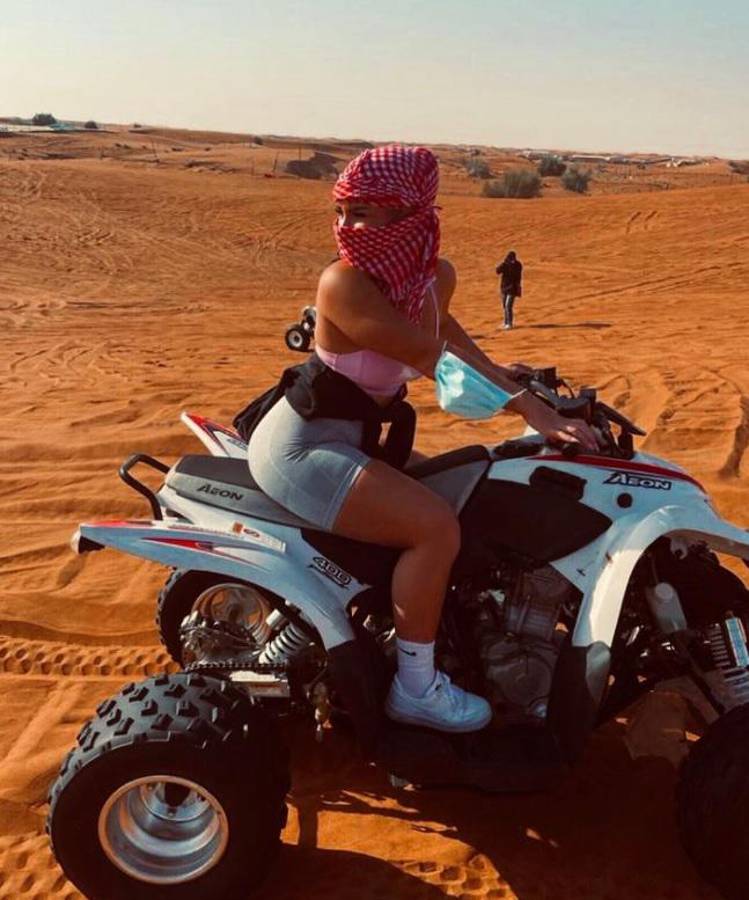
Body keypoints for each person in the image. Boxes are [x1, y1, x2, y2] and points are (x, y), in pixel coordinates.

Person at [248, 145, 598, 733]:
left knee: (467, 495)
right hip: (304, 447)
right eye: (342, 212)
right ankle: (415, 688)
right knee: (434, 528)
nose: (347, 227)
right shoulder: (343, 283)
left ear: (410, 215)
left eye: (364, 213)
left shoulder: (431, 277)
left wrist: (513, 378)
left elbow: (450, 337)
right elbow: (431, 356)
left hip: (360, 441)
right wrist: (533, 412)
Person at [496, 251, 523, 330]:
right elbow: (497, 271)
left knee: (508, 306)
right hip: (504, 288)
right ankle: (506, 322)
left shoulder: (518, 265)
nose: (512, 260)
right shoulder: (505, 265)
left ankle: (509, 323)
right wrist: (504, 264)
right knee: (505, 306)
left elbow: (518, 275)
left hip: (513, 288)